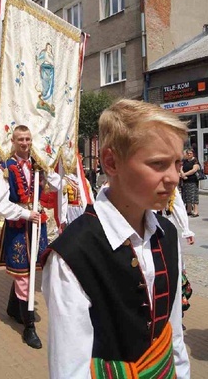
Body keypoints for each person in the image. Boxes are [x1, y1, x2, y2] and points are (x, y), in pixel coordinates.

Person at [42, 99, 190, 378]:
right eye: (158, 164)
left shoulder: (166, 234)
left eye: (178, 163)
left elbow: (173, 335)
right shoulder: (74, 254)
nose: (173, 177)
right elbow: (70, 368)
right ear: (111, 162)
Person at [0, 124, 60, 350]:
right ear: (13, 141)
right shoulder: (5, 168)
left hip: (35, 224)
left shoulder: (37, 164)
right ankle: (29, 326)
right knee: (23, 274)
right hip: (18, 225)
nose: (25, 143)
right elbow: (1, 203)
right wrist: (25, 213)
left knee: (32, 268)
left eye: (28, 139)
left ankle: (13, 308)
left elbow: (57, 183)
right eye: (21, 139)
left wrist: (62, 169)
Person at [162, 187, 194, 319]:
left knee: (174, 270)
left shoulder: (170, 187)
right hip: (144, 231)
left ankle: (176, 313)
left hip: (166, 230)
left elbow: (178, 206)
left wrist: (186, 230)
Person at [180, 148, 200, 217]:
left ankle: (195, 211)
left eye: (190, 153)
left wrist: (184, 174)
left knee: (193, 196)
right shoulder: (185, 161)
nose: (189, 154)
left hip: (193, 181)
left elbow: (194, 170)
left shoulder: (195, 161)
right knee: (187, 196)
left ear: (193, 153)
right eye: (188, 153)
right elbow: (181, 168)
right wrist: (182, 174)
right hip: (185, 181)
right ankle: (188, 210)